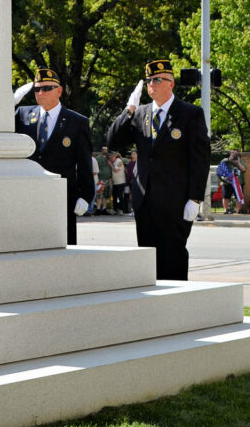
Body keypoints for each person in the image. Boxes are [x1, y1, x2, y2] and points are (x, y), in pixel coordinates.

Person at [107, 59, 210, 281]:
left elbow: (200, 159)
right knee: (147, 260)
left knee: (173, 257)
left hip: (175, 200)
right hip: (145, 200)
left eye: (156, 79)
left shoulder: (190, 114)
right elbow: (113, 141)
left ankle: (176, 306)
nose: (151, 84)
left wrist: (195, 198)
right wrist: (128, 111)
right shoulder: (140, 114)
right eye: (149, 80)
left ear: (170, 83)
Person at [15, 67, 94, 245]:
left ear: (58, 91)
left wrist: (86, 195)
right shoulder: (23, 115)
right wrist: (9, 104)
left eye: (46, 88)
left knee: (63, 246)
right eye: (37, 89)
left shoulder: (77, 122)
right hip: (30, 193)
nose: (40, 93)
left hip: (63, 195)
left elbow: (84, 163)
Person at [95, 146, 113, 215]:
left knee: (106, 194)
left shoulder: (110, 158)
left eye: (106, 149)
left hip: (109, 179)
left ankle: (104, 209)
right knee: (99, 195)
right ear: (101, 150)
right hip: (100, 179)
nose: (104, 150)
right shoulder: (98, 158)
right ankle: (98, 209)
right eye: (103, 149)